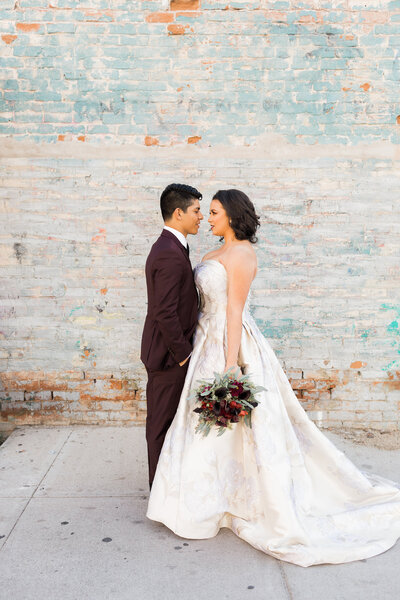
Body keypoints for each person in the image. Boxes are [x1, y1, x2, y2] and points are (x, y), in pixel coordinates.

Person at [146, 188, 400, 567]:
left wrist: (231, 364)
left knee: (239, 425)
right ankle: (207, 497)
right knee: (202, 425)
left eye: (213, 212)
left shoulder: (243, 255)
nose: (208, 218)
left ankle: (242, 499)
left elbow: (233, 311)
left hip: (230, 344)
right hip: (202, 341)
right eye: (204, 212)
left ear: (231, 216)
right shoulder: (207, 254)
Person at [141, 183, 203, 490]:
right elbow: (164, 311)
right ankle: (160, 493)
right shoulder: (168, 253)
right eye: (196, 210)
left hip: (169, 354)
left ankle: (168, 488)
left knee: (167, 423)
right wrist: (183, 354)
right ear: (178, 213)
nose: (201, 217)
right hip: (167, 357)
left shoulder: (173, 246)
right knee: (161, 426)